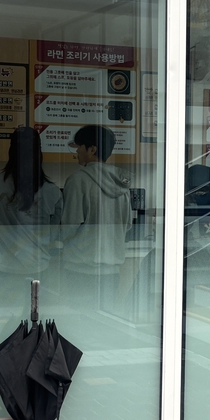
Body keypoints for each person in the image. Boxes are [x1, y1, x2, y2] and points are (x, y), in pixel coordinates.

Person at [0, 127, 63, 309]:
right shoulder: (52, 191)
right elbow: (53, 231)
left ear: (11, 151)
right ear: (39, 152)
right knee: (29, 321)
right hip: (35, 267)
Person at [60, 125, 132, 310]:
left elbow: (69, 227)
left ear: (92, 149)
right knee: (104, 321)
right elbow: (128, 226)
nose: (77, 151)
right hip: (112, 271)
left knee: (80, 321)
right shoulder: (122, 184)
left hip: (81, 269)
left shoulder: (78, 180)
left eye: (79, 146)